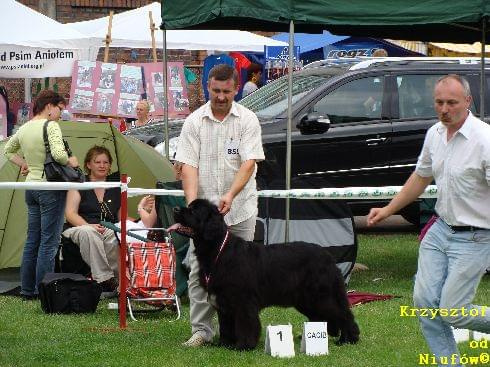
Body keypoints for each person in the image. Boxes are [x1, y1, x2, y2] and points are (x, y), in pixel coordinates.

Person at [367, 74, 490, 367]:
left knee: (452, 311)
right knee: (425, 304)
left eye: (452, 103)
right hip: (439, 230)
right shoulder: (435, 133)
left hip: (476, 237)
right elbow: (421, 177)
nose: (444, 108)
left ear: (468, 102)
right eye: (439, 102)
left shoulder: (485, 140)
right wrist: (388, 209)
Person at [175, 63, 265, 347]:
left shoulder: (248, 120)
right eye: (216, 90)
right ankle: (201, 330)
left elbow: (249, 162)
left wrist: (231, 195)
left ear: (236, 88)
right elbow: (188, 165)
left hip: (240, 209)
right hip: (205, 219)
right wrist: (193, 209)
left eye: (226, 91)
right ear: (207, 87)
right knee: (199, 271)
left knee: (241, 275)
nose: (221, 96)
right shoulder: (193, 121)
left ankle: (239, 329)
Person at [3, 90, 79, 299]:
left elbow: (8, 151)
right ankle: (42, 291)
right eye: (60, 109)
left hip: (31, 187)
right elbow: (58, 154)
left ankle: (27, 290)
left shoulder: (24, 127)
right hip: (51, 188)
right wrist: (71, 161)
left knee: (32, 241)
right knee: (49, 242)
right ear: (49, 106)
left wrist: (25, 164)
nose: (60, 114)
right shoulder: (51, 125)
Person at [63, 146, 121, 293]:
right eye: (98, 162)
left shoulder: (115, 187)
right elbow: (70, 214)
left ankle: (120, 280)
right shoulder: (78, 184)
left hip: (107, 226)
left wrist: (144, 213)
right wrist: (89, 225)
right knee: (89, 232)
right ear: (89, 165)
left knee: (116, 235)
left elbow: (121, 217)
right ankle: (105, 280)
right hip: (78, 227)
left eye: (106, 162)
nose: (102, 166)